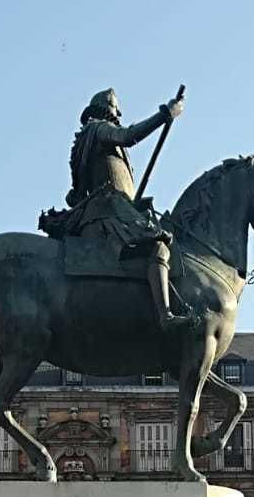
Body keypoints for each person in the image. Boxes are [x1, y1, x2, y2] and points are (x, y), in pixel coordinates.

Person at [48, 87, 203, 339]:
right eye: (116, 111)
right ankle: (165, 315)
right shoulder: (98, 129)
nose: (118, 116)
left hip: (116, 208)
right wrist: (165, 114)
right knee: (158, 246)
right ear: (108, 111)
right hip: (108, 212)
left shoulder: (92, 139)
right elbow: (129, 136)